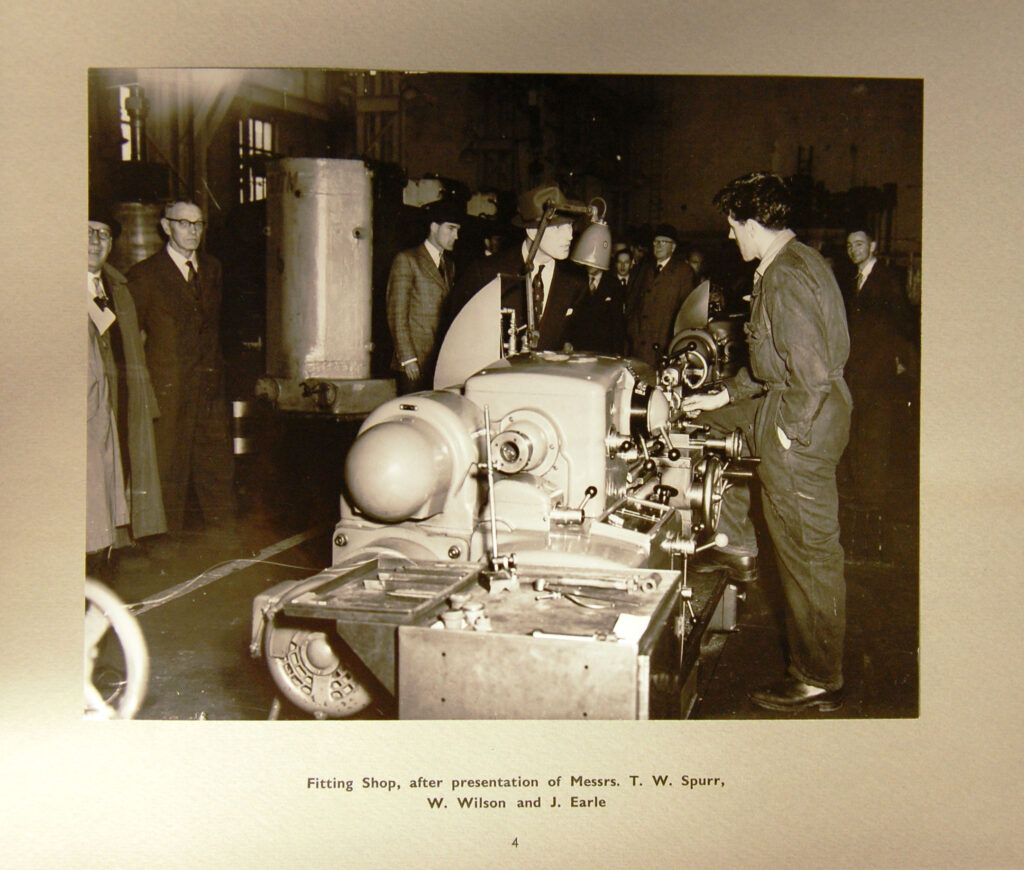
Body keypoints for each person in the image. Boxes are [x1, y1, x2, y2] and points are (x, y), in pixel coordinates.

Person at [681, 171, 851, 713]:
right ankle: (741, 550)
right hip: (799, 405)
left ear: (752, 223)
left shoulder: (781, 278)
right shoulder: (797, 262)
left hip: (802, 417)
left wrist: (785, 431)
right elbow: (776, 361)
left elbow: (811, 374)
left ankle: (817, 675)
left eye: (734, 228)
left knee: (806, 552)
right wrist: (722, 397)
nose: (732, 238)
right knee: (709, 430)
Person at [128, 200, 236, 542]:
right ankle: (163, 548)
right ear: (165, 226)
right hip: (169, 391)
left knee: (216, 466)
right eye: (184, 223)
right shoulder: (144, 275)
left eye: (198, 224)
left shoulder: (213, 269)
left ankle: (224, 543)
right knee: (169, 469)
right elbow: (132, 339)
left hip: (209, 389)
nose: (192, 231)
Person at [87, 206, 165, 560]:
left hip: (120, 392)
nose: (95, 240)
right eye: (87, 231)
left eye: (103, 234)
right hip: (90, 397)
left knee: (121, 460)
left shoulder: (116, 286)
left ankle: (115, 534)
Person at [454, 183, 588, 352]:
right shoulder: (486, 273)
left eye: (570, 225)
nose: (569, 235)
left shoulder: (576, 281)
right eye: (559, 227)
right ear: (532, 231)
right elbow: (460, 340)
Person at [841, 229, 919, 517]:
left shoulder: (886, 278)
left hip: (878, 369)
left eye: (859, 243)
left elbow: (901, 322)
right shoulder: (854, 280)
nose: (853, 249)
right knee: (858, 431)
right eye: (849, 245)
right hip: (857, 369)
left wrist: (898, 359)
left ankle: (871, 498)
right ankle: (862, 490)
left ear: (872, 246)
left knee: (874, 434)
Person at [386, 200, 463, 392]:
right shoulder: (407, 260)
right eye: (451, 229)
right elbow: (397, 314)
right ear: (434, 227)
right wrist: (408, 358)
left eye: (458, 230)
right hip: (413, 363)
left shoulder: (449, 265)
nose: (456, 236)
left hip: (438, 362)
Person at [625, 223, 695, 366]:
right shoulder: (642, 268)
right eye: (656, 242)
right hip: (638, 345)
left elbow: (686, 311)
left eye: (663, 242)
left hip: (664, 346)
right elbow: (631, 303)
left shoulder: (683, 272)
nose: (658, 246)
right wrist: (632, 332)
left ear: (673, 247)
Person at [567, 248, 631, 355]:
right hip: (577, 347)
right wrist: (567, 340)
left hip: (603, 349)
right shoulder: (576, 281)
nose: (590, 264)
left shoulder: (613, 284)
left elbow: (617, 324)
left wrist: (617, 353)